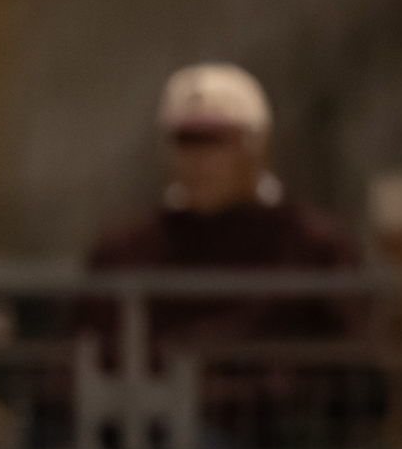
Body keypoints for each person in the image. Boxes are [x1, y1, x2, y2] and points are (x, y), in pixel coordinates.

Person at [86, 62, 361, 356]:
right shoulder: (125, 252)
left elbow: (354, 367)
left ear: (258, 146)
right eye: (184, 140)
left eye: (214, 141)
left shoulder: (312, 247)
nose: (196, 159)